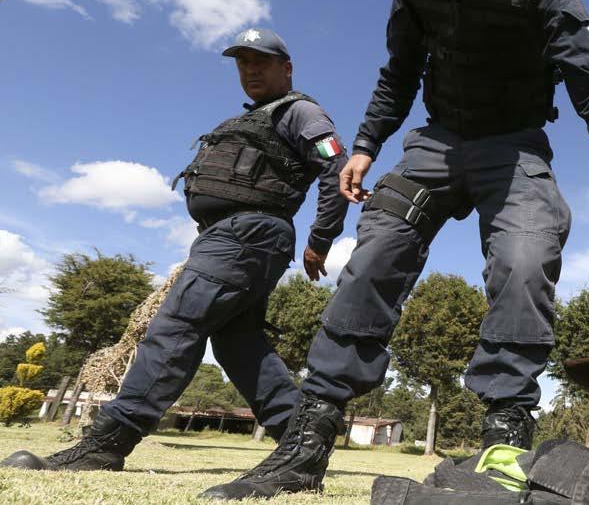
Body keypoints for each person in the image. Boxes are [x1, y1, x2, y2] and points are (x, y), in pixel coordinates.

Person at [200, 0, 589, 501]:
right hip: (437, 141)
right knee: (377, 251)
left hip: (514, 148)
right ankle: (307, 441)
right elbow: (398, 71)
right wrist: (365, 144)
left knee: (526, 253)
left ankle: (505, 437)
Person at [2, 27, 349, 473]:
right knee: (238, 344)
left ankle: (107, 443)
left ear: (286, 68)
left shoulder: (300, 111)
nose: (250, 70)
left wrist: (321, 238)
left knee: (176, 325)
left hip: (247, 235)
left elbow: (335, 166)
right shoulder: (256, 118)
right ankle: (302, 443)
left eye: (260, 61)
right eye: (242, 63)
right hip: (233, 237)